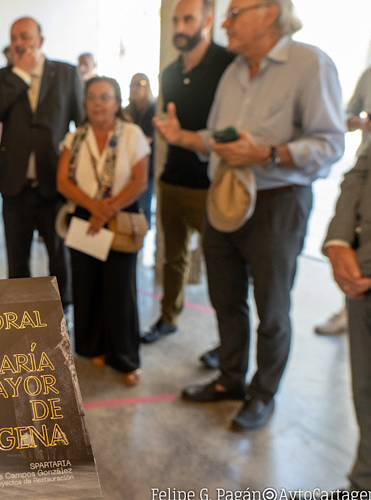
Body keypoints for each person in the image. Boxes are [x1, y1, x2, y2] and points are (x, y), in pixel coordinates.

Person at [155, 0, 345, 431]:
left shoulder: (310, 64)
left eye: (235, 12)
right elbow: (220, 137)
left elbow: (331, 144)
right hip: (225, 195)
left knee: (272, 309)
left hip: (278, 201)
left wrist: (268, 153)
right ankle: (230, 378)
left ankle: (263, 393)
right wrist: (183, 137)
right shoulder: (234, 71)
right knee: (225, 297)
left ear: (270, 12)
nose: (224, 22)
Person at [141, 0, 236, 368]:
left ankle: (226, 344)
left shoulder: (228, 65)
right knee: (172, 257)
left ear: (207, 20)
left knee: (221, 267)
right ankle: (168, 317)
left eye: (188, 19)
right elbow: (171, 128)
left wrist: (193, 139)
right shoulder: (168, 73)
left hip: (212, 184)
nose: (179, 27)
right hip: (172, 179)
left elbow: (232, 129)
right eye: (175, 20)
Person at [0, 16, 84, 307]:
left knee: (59, 257)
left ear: (40, 40)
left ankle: (63, 313)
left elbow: (82, 126)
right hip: (14, 187)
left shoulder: (66, 73)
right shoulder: (3, 76)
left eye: (25, 36)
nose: (19, 43)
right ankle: (22, 316)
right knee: (17, 261)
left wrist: (75, 168)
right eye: (14, 37)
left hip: (54, 184)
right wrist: (21, 75)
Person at [57, 77, 150, 385]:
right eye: (92, 97)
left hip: (120, 215)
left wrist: (106, 210)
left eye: (105, 97)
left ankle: (125, 358)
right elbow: (63, 182)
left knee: (120, 290)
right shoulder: (75, 137)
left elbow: (140, 181)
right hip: (85, 216)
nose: (98, 103)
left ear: (117, 102)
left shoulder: (132, 134)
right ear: (85, 103)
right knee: (87, 286)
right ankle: (93, 347)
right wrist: (94, 209)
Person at [324, 87, 371, 493]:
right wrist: (338, 240)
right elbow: (365, 164)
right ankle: (364, 484)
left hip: (369, 266)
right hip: (363, 278)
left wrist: (367, 260)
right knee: (368, 395)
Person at [315, 60, 371, 336]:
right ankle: (345, 311)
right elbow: (360, 169)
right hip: (369, 203)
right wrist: (338, 240)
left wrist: (370, 261)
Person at [124, 73, 156, 227]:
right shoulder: (127, 111)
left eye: (139, 84)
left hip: (145, 167)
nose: (134, 88)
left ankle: (142, 236)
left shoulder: (153, 110)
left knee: (143, 209)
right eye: (132, 85)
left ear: (147, 86)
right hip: (126, 168)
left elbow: (148, 139)